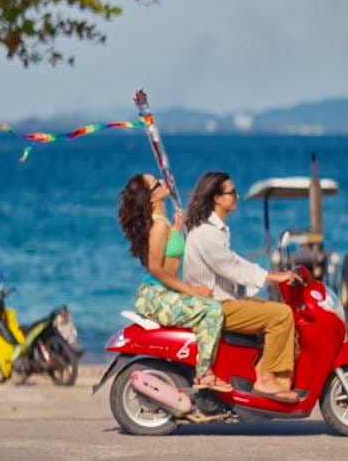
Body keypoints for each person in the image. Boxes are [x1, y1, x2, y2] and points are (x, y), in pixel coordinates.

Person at [183, 171, 299, 403]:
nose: (236, 196)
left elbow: (233, 260)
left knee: (276, 310)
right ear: (217, 198)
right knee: (281, 315)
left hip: (225, 300)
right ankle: (266, 379)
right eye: (232, 192)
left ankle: (261, 372)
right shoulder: (207, 232)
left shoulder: (214, 229)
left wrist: (269, 274)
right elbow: (229, 267)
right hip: (215, 305)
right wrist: (272, 277)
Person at [117, 173, 232, 392]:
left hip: (162, 292)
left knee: (213, 304)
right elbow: (155, 268)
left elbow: (165, 255)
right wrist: (191, 290)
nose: (163, 181)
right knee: (213, 310)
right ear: (152, 197)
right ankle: (204, 374)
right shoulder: (158, 225)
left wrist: (176, 229)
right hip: (156, 296)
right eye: (157, 183)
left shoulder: (162, 223)